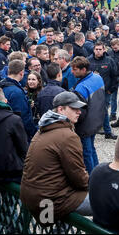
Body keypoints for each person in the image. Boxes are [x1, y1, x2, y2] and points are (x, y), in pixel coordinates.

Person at [20, 92, 92, 223]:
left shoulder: (43, 128)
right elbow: (78, 176)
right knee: (110, 201)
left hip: (34, 197)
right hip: (51, 201)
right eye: (74, 108)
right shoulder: (67, 136)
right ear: (60, 109)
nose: (79, 112)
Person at [71, 56, 106, 175]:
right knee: (91, 149)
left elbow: (79, 112)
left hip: (86, 125)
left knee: (86, 152)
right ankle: (97, 173)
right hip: (96, 121)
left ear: (84, 69)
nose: (72, 71)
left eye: (75, 69)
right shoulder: (98, 78)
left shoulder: (81, 87)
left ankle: (92, 177)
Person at [0, 60, 38, 140]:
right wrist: (34, 132)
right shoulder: (17, 92)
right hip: (17, 135)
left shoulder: (0, 86)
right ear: (21, 73)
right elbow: (23, 117)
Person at [87, 41, 118, 140]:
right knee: (91, 111)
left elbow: (114, 76)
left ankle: (107, 132)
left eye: (100, 49)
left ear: (104, 50)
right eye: (96, 49)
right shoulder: (88, 60)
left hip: (105, 91)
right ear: (93, 50)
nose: (98, 51)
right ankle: (92, 131)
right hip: (91, 91)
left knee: (104, 111)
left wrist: (111, 89)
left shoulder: (109, 61)